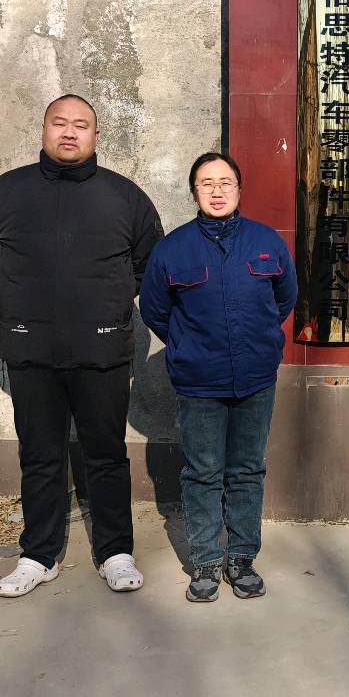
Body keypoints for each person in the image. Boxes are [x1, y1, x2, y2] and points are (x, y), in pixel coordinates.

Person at [0, 94, 163, 599]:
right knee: (40, 455)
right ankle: (39, 554)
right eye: (60, 123)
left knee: (106, 454)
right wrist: (18, 301)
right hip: (30, 348)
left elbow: (148, 262)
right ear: (44, 130)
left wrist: (109, 303)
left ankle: (115, 552)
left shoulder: (124, 197)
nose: (69, 132)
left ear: (96, 135)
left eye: (81, 125)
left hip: (103, 351)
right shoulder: (6, 193)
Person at [139, 152, 296, 603]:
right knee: (203, 472)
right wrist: (188, 346)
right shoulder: (172, 249)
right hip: (199, 381)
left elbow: (284, 299)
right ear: (194, 192)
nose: (217, 190)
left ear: (239, 189)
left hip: (255, 378)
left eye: (225, 182)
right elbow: (155, 310)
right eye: (206, 183)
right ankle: (206, 561)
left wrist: (256, 340)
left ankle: (242, 558)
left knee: (247, 470)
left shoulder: (266, 242)